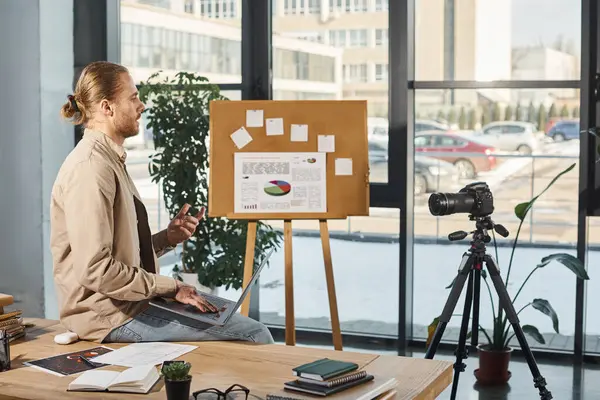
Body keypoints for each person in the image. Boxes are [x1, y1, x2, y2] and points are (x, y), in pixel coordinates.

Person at [50, 61, 273, 345]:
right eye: (133, 98)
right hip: (107, 316)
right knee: (254, 334)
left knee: (229, 318)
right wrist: (171, 287)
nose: (141, 106)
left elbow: (119, 256)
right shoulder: (91, 168)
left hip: (129, 305)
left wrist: (166, 238)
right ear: (107, 107)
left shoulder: (109, 160)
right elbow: (96, 270)